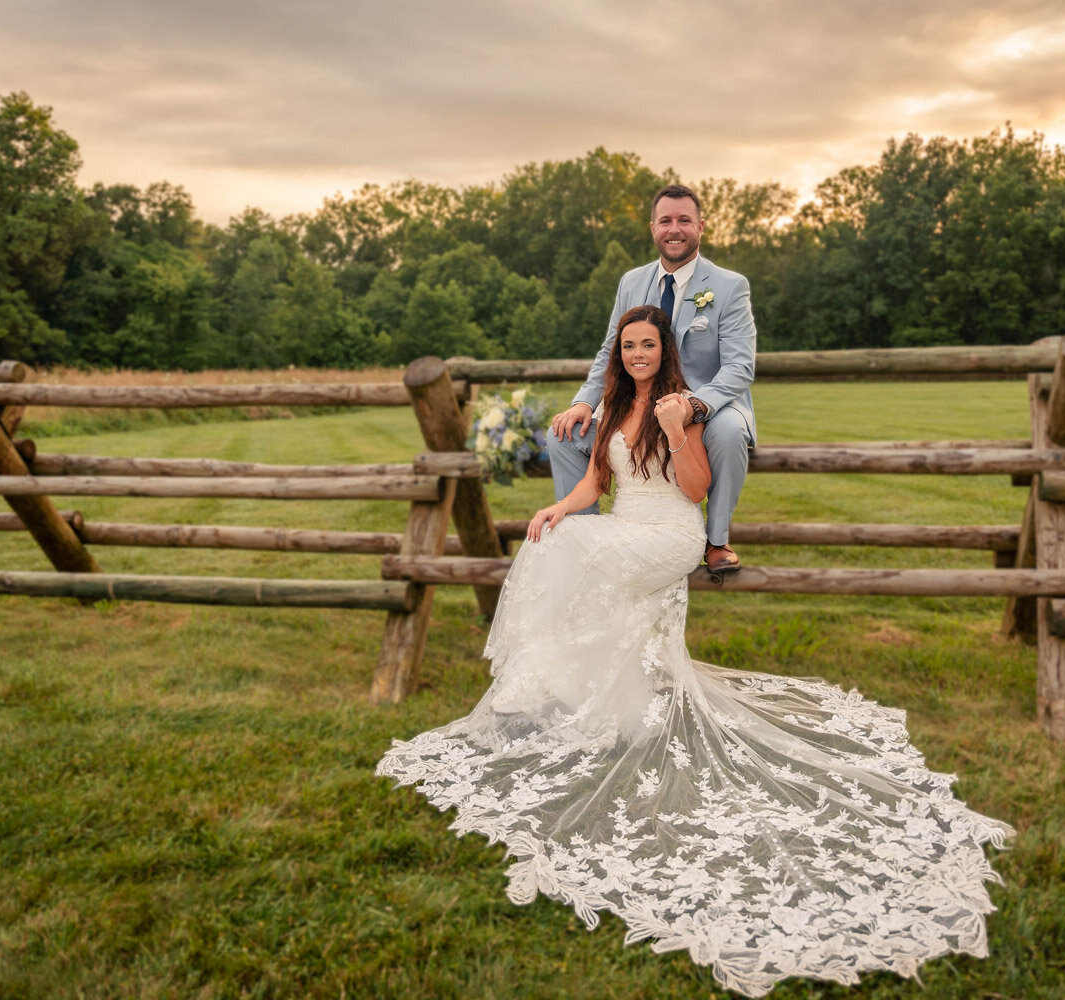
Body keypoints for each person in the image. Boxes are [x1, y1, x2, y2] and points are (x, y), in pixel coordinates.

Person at [377, 305, 1013, 997]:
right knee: (556, 543)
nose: (639, 353)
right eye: (629, 345)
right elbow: (596, 484)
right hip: (622, 523)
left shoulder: (683, 405)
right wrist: (560, 508)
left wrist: (679, 429)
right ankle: (597, 701)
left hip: (670, 533)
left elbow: (698, 488)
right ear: (618, 354)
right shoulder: (613, 405)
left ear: (664, 349)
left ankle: (571, 690)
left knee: (583, 566)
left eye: (649, 344)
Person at [548, 183, 754, 575]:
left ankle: (716, 540)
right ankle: (581, 535)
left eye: (684, 221)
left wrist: (692, 407)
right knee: (562, 434)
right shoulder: (631, 281)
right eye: (665, 221)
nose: (674, 229)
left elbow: (738, 368)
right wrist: (584, 402)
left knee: (728, 432)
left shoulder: (729, 286)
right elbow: (611, 349)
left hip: (709, 406)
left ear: (701, 227)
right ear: (652, 227)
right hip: (637, 404)